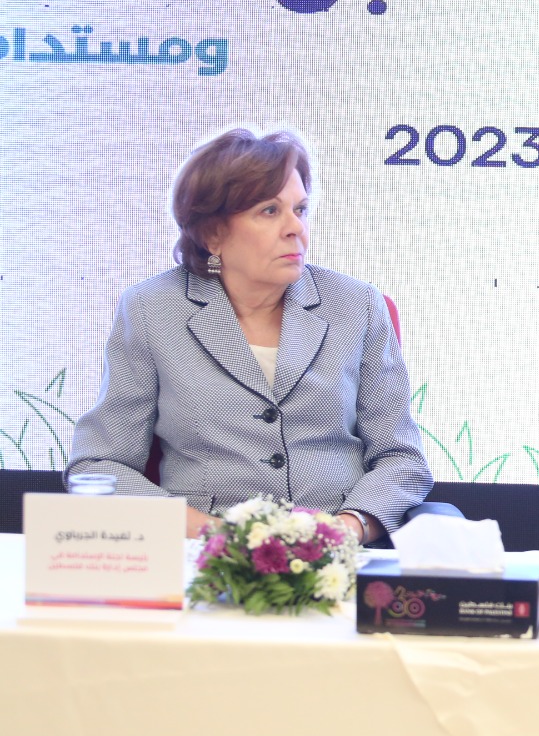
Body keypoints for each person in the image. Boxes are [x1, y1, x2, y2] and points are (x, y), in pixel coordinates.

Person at [67, 128, 431, 542]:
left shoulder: (356, 305)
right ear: (212, 233)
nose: (295, 228)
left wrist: (344, 528)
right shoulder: (152, 309)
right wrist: (213, 533)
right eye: (270, 211)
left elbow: (401, 458)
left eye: (300, 209)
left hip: (334, 549)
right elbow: (99, 465)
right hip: (206, 553)